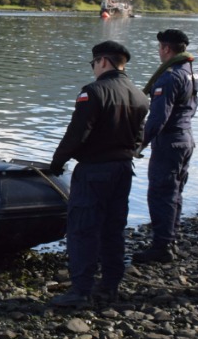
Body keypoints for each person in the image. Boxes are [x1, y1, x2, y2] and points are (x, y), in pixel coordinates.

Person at [48, 41, 149, 308]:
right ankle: (110, 286)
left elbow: (77, 134)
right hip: (124, 169)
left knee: (83, 229)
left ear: (102, 61)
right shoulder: (140, 96)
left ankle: (80, 291)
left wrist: (56, 163)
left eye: (93, 63)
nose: (93, 68)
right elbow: (140, 139)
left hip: (94, 170)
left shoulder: (93, 92)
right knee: (113, 229)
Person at [134, 29, 198, 264]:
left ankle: (162, 246)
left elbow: (158, 117)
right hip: (185, 138)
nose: (159, 51)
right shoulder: (191, 72)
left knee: (161, 193)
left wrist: (140, 144)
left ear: (166, 49)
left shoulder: (169, 77)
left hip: (169, 141)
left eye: (160, 47)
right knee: (175, 192)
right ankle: (170, 239)